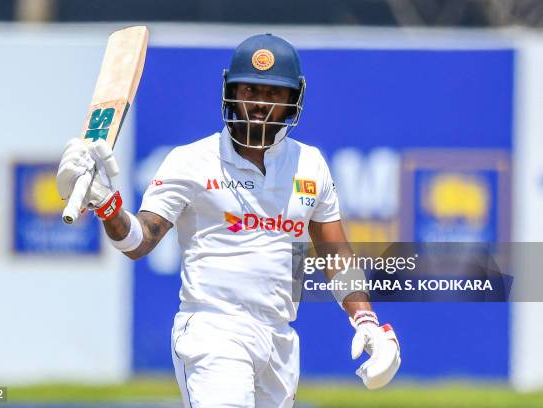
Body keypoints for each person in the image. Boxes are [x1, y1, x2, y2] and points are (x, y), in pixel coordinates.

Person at [57, 33, 400, 408]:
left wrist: (366, 318)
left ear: (293, 100)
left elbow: (335, 254)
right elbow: (139, 241)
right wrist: (107, 204)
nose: (260, 105)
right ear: (230, 90)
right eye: (250, 89)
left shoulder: (310, 164)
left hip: (279, 339)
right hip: (212, 330)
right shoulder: (191, 161)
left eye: (273, 94)